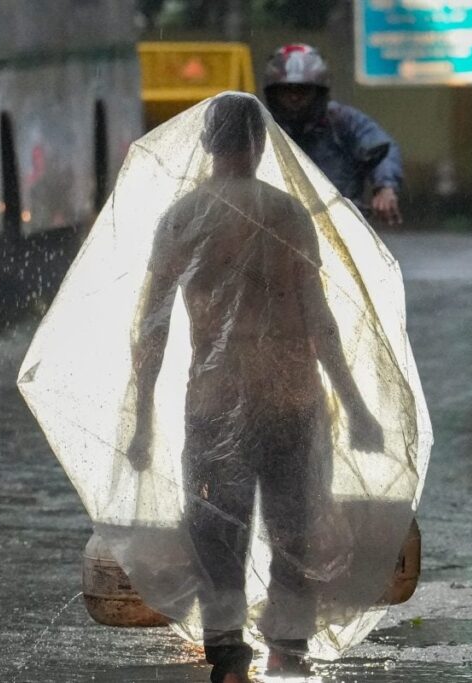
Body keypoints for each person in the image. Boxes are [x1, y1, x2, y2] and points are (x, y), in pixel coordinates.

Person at [126, 93, 384, 683]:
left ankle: (226, 655)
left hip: (214, 404)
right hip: (291, 400)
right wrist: (358, 408)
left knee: (217, 536)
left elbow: (152, 330)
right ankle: (288, 654)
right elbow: (319, 321)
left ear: (206, 143)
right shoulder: (287, 214)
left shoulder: (183, 218)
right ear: (262, 143)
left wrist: (141, 421)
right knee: (294, 532)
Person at [263, 43, 404, 225]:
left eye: (303, 90)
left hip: (340, 224)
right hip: (273, 228)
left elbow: (383, 148)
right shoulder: (259, 126)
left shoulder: (343, 121)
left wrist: (385, 186)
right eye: (287, 90)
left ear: (319, 92)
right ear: (273, 93)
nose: (294, 98)